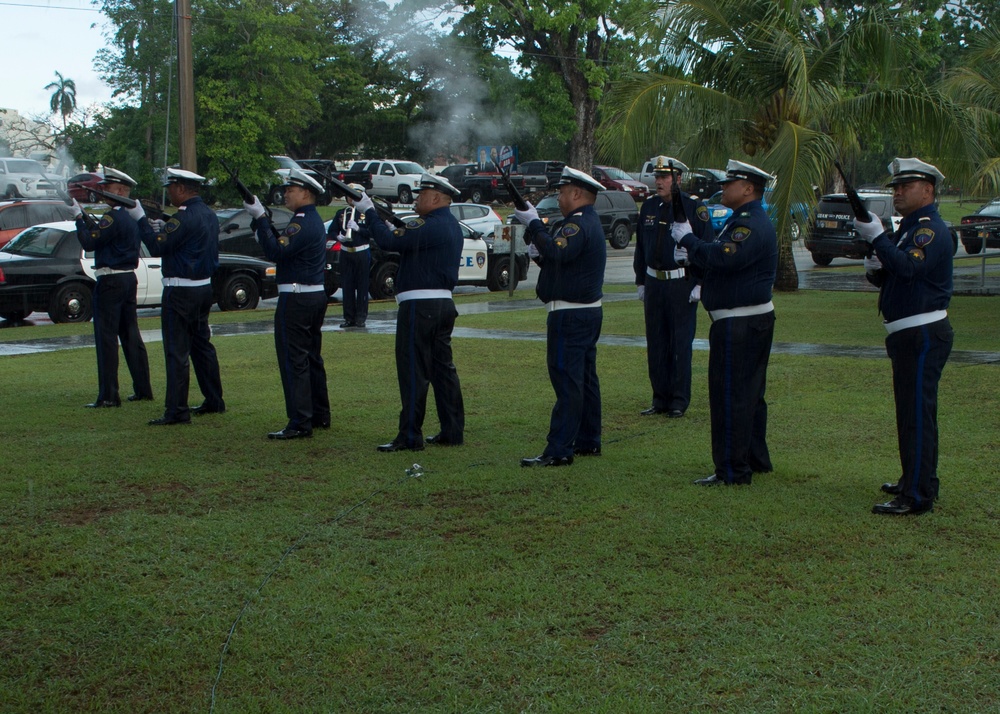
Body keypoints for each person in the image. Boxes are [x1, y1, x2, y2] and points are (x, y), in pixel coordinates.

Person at [855, 158, 954, 516]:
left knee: (916, 414)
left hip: (922, 333)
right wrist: (876, 267)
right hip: (909, 333)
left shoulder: (929, 230)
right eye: (895, 186)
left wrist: (878, 238)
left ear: (927, 190)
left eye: (905, 186)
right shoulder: (910, 228)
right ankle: (917, 478)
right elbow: (896, 274)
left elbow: (910, 267)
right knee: (913, 412)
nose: (897, 192)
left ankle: (916, 494)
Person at [672, 160, 777, 485]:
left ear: (748, 188)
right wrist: (693, 259)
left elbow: (725, 258)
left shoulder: (749, 223)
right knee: (749, 394)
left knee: (730, 395)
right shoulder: (741, 220)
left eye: (731, 183)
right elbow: (721, 262)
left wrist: (689, 241)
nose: (723, 188)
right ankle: (754, 457)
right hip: (746, 319)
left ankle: (732, 469)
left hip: (739, 324)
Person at [355, 174, 466, 451]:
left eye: (423, 195)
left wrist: (368, 210)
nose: (417, 199)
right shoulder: (449, 225)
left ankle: (410, 434)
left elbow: (390, 241)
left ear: (437, 198)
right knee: (442, 370)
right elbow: (404, 235)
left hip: (420, 306)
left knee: (413, 370)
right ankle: (452, 429)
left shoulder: (431, 224)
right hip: (442, 304)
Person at [513, 166, 607, 467]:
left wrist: (535, 225)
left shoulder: (576, 225)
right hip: (583, 312)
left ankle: (559, 448)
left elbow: (560, 252)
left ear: (577, 194)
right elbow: (560, 262)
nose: (559, 196)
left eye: (563, 191)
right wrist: (538, 246)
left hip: (570, 314)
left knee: (568, 380)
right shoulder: (581, 223)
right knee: (585, 379)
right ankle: (588, 439)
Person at [244, 168, 331, 440]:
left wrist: (260, 218)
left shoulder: (301, 222)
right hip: (312, 294)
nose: (286, 194)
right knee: (311, 356)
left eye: (291, 190)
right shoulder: (310, 221)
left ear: (306, 193)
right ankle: (318, 414)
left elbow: (276, 251)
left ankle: (300, 421)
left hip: (296, 297)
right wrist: (263, 222)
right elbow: (283, 247)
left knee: (294, 359)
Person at [137, 168, 225, 426]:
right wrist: (163, 228)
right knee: (202, 346)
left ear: (182, 189)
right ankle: (214, 399)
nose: (170, 194)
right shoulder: (208, 214)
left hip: (180, 290)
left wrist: (143, 222)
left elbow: (156, 247)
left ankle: (177, 409)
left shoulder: (183, 218)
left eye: (172, 188)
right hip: (202, 288)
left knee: (177, 350)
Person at [634, 156, 715, 418]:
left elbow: (707, 246)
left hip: (681, 283)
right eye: (657, 177)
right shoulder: (648, 206)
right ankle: (660, 398)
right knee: (656, 343)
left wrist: (700, 282)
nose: (659, 181)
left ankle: (679, 400)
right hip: (655, 282)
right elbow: (641, 248)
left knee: (680, 345)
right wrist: (640, 280)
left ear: (678, 179)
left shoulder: (694, 208)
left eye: (665, 177)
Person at [72, 167, 154, 408]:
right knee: (130, 336)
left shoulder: (113, 217)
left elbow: (90, 241)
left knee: (106, 337)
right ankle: (143, 388)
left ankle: (108, 395)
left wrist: (79, 219)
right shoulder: (130, 217)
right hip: (128, 279)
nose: (104, 191)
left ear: (120, 191)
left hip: (110, 281)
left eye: (108, 188)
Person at [328, 184, 371, 328]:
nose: (350, 199)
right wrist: (338, 237)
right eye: (348, 196)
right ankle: (349, 317)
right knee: (347, 287)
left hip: (361, 252)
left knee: (362, 286)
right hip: (346, 252)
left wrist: (359, 229)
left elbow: (372, 232)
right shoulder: (342, 213)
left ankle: (361, 317)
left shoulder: (366, 213)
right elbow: (332, 230)